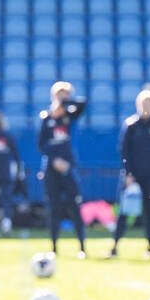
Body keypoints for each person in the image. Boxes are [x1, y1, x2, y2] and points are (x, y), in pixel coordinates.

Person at [112, 89, 150, 258]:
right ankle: (115, 245)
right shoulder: (131, 126)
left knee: (149, 212)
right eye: (143, 104)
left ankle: (149, 247)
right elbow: (124, 152)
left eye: (149, 104)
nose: (146, 108)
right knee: (124, 211)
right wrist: (128, 174)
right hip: (131, 177)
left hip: (149, 176)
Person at [38, 81, 89, 257]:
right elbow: (42, 144)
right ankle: (54, 247)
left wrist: (66, 104)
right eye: (60, 93)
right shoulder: (47, 118)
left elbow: (83, 103)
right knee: (54, 208)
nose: (62, 96)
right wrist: (54, 160)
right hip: (51, 169)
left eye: (65, 93)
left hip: (69, 168)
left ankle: (82, 246)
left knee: (74, 207)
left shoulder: (71, 115)